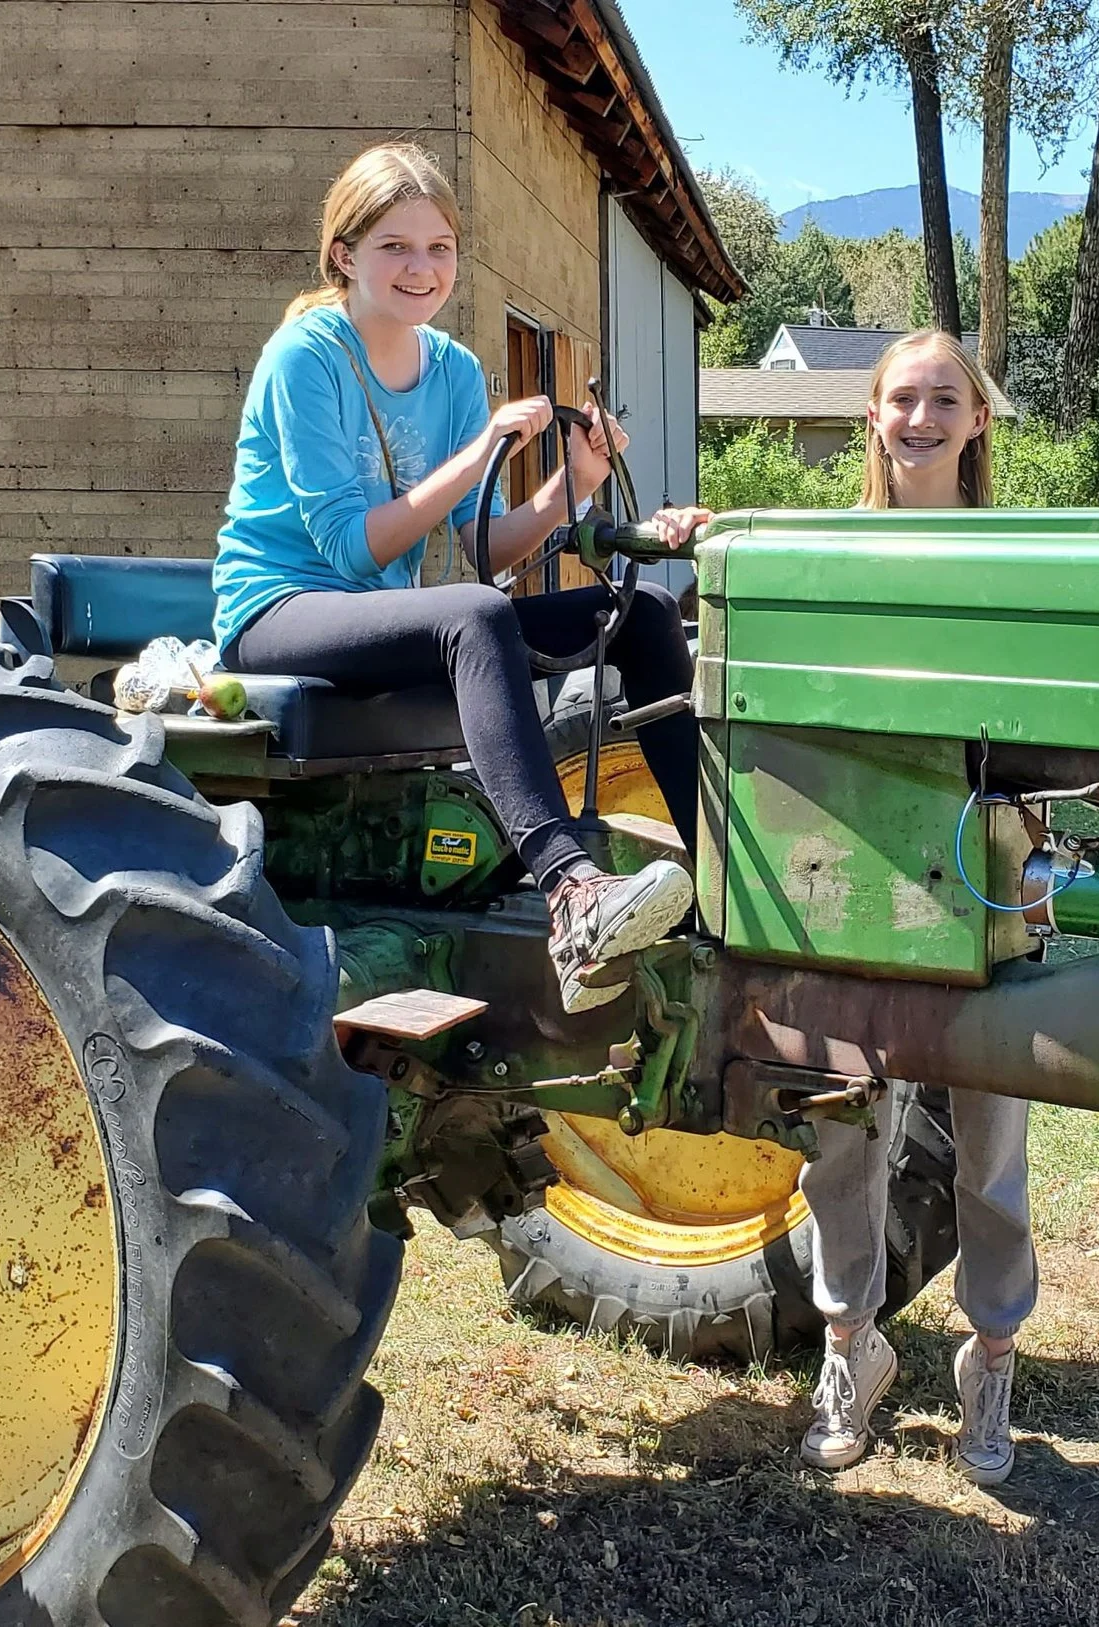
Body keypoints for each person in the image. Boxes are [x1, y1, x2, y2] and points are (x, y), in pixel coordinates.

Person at [213, 142, 707, 1015]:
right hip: (278, 610)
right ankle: (571, 894)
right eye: (395, 247)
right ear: (345, 256)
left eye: (439, 247)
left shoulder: (450, 370)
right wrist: (482, 451)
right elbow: (351, 548)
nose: (421, 268)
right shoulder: (306, 357)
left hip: (385, 616)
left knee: (644, 611)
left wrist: (571, 488)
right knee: (475, 619)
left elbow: (486, 552)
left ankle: (722, 878)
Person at [799, 329, 1035, 1486]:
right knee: (841, 1128)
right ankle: (852, 1342)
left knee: (989, 1133)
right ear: (873, 417)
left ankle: (990, 1358)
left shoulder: (1017, 558)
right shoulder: (830, 548)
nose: (921, 416)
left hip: (981, 864)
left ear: (976, 420)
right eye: (902, 397)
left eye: (945, 397)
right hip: (855, 866)